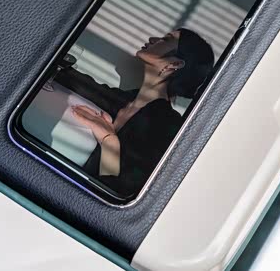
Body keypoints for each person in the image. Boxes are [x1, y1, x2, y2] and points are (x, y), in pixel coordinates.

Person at [62, 28, 214, 198]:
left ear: (175, 64)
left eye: (165, 40)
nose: (152, 38)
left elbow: (118, 193)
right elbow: (82, 84)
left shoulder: (166, 125)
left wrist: (109, 140)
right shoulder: (124, 99)